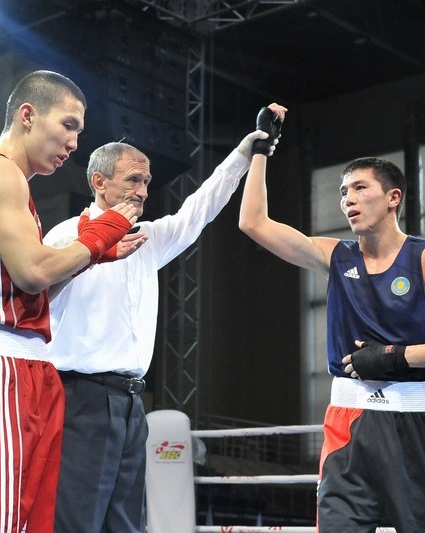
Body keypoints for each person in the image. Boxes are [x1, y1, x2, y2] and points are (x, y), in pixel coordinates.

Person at [238, 110, 425, 533]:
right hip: (347, 420)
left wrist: (395, 356)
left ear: (393, 198)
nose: (348, 199)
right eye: (343, 192)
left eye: (359, 187)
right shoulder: (335, 256)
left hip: (415, 421)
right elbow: (253, 223)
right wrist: (262, 148)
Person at [43, 103, 286, 533]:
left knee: (126, 523)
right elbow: (33, 296)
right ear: (99, 182)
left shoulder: (148, 239)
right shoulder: (66, 236)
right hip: (80, 396)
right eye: (133, 179)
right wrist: (92, 252)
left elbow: (199, 209)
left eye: (147, 181)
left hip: (132, 401)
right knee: (77, 520)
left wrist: (245, 153)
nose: (143, 191)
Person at [0, 70, 146, 533]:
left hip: (29, 367)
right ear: (28, 116)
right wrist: (99, 236)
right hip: (0, 366)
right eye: (68, 125)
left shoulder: (16, 186)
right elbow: (33, 272)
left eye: (79, 131)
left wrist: (92, 255)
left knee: (30, 520)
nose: (73, 143)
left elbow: (28, 287)